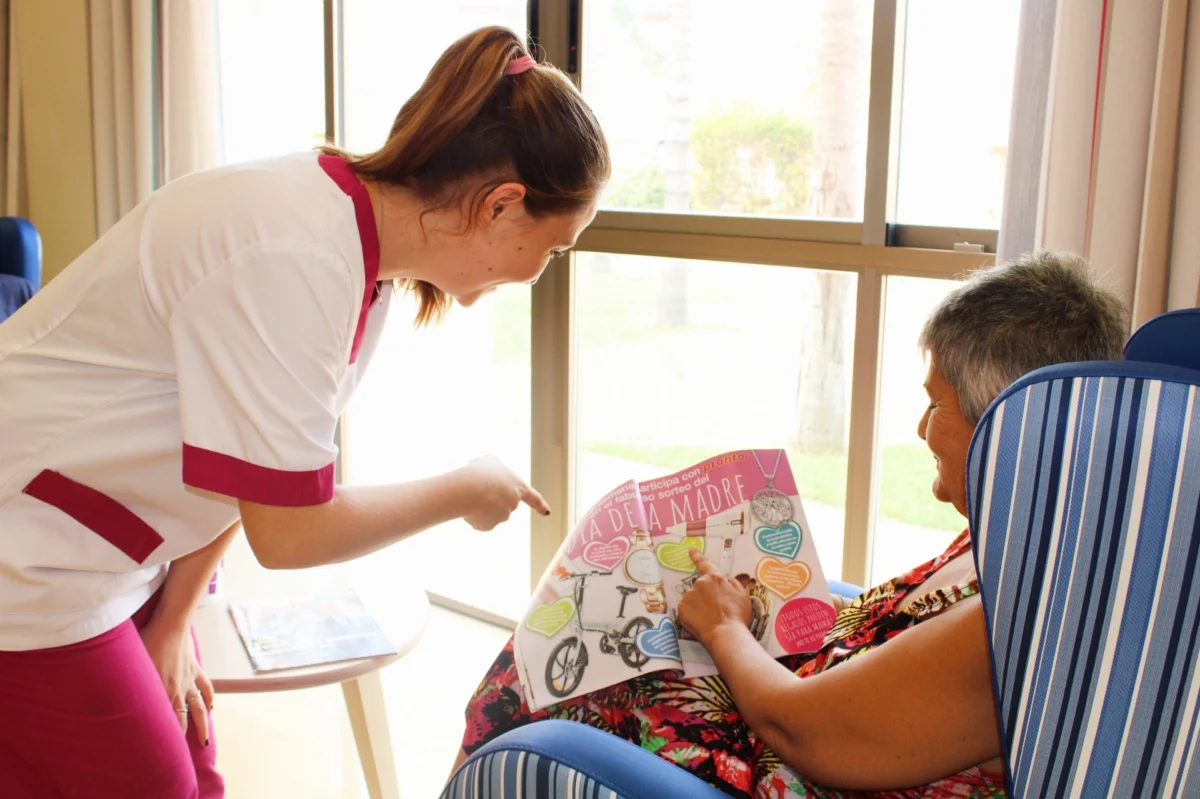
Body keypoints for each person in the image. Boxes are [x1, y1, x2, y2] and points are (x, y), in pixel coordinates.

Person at [0, 26, 609, 799]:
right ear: (501, 205)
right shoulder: (295, 253)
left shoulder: (363, 261)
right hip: (29, 549)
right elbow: (288, 530)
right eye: (552, 250)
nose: (537, 273)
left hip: (114, 547)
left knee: (196, 768)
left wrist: (174, 618)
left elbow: (245, 461)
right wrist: (464, 490)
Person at [454, 251, 1128, 798]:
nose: (921, 429)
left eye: (936, 405)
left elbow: (803, 732)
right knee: (587, 628)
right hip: (798, 705)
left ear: (1004, 421)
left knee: (547, 676)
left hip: (789, 752)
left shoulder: (1020, 618)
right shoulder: (1036, 533)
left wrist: (724, 628)